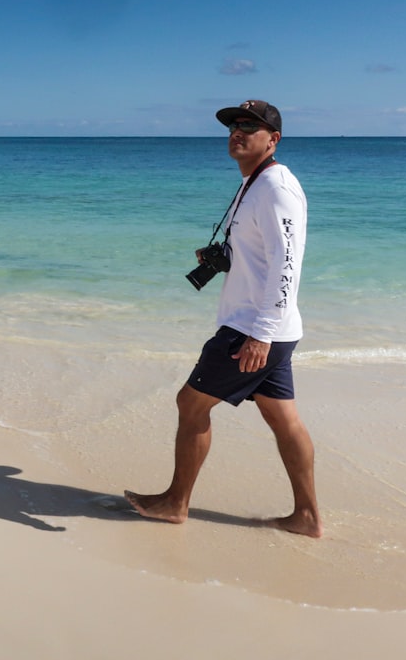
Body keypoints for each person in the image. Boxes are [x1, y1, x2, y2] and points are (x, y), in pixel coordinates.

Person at [125, 100, 322, 538]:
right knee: (283, 419)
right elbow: (262, 254)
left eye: (250, 126)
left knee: (190, 403)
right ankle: (306, 518)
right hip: (265, 326)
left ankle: (175, 503)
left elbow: (288, 264)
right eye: (234, 125)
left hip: (253, 328)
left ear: (273, 139)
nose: (238, 131)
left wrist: (261, 335)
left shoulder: (276, 187)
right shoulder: (254, 183)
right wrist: (226, 258)